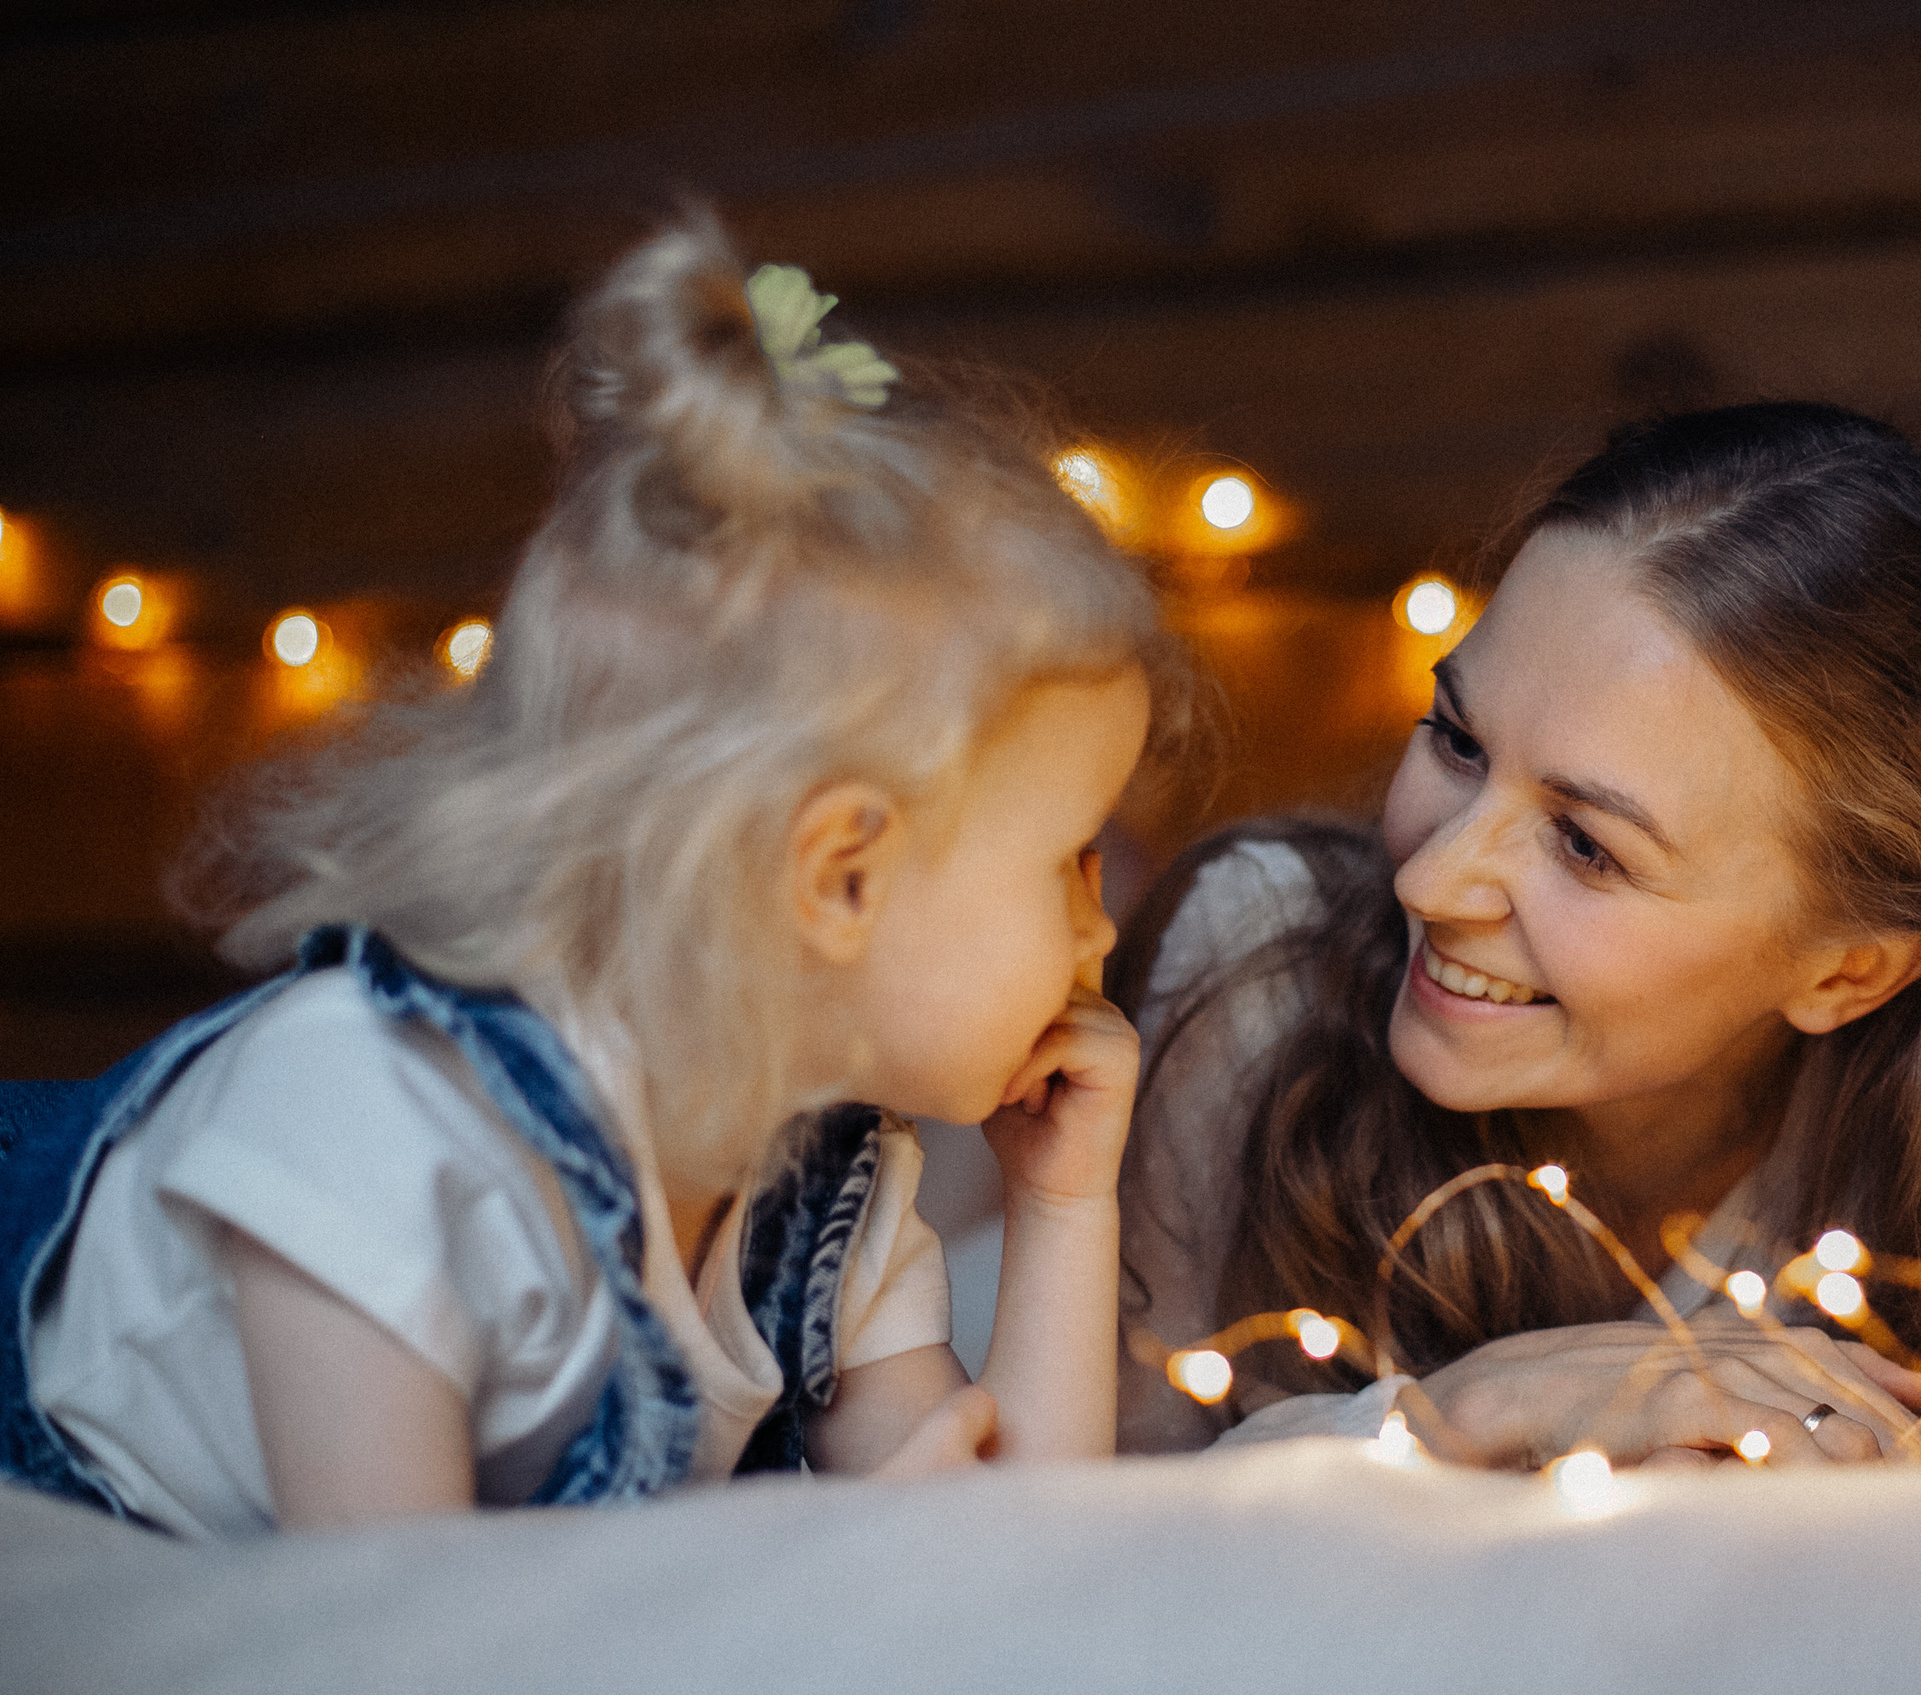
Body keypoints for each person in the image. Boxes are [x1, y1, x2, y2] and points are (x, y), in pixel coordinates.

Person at [0, 212, 1180, 1537]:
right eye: (1073, 856)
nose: (1100, 921)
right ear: (840, 876)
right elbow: (392, 1639)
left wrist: (1065, 1197)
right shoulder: (380, 1119)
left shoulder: (828, 1177)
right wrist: (799, 1575)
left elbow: (1021, 1543)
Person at [1114, 404, 1921, 1469]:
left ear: (1850, 969)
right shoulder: (1259, 956)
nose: (1429, 881)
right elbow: (1082, 1548)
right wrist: (1440, 1423)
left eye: (1584, 845)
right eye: (1458, 740)